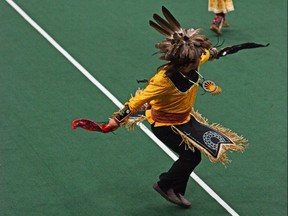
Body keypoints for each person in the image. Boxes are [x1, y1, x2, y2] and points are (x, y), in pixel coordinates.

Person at [72, 6, 247, 208]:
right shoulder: (162, 81)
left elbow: (207, 54)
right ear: (184, 62)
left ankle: (175, 190)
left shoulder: (193, 61)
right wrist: (116, 120)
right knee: (191, 156)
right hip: (165, 125)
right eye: (198, 57)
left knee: (191, 156)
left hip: (184, 119)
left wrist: (217, 53)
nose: (201, 58)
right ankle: (165, 185)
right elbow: (136, 102)